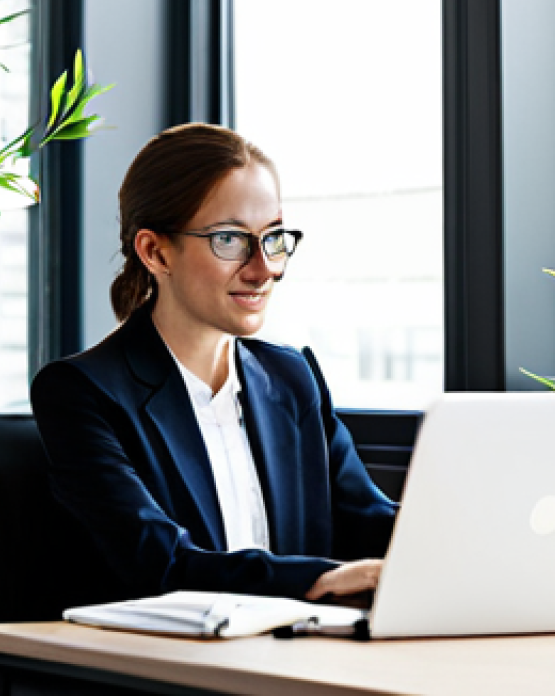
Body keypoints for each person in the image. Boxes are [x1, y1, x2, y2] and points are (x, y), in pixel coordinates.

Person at [30, 123, 396, 604]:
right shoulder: (82, 392)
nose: (264, 270)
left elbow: (369, 519)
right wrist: (318, 581)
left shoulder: (291, 378)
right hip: (166, 649)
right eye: (230, 240)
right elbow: (160, 563)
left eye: (273, 238)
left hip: (299, 643)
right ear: (155, 252)